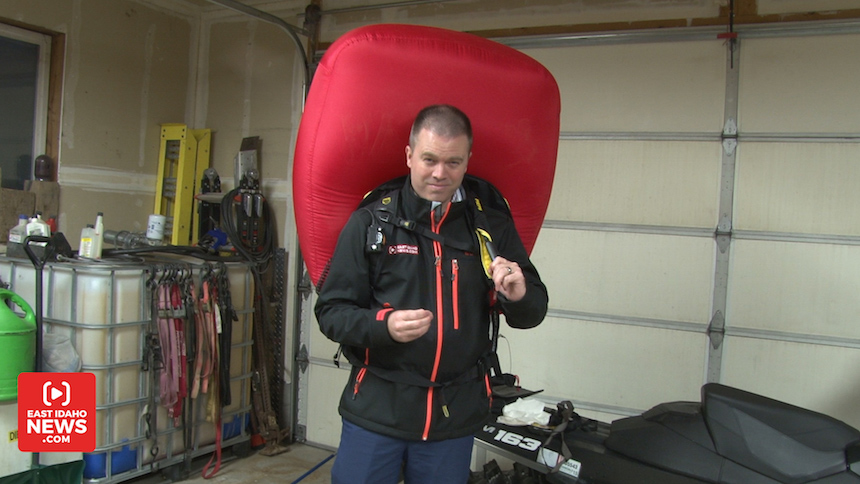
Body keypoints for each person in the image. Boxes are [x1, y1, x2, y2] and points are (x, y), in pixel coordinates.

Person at [315, 104, 548, 483]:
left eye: (453, 162)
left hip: (451, 419)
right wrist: (383, 325)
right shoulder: (371, 223)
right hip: (378, 412)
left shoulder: (489, 224)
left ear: (468, 160)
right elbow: (331, 313)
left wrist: (519, 294)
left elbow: (532, 313)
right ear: (409, 156)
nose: (440, 173)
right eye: (429, 159)